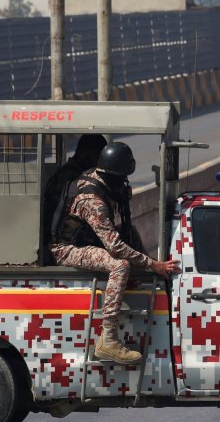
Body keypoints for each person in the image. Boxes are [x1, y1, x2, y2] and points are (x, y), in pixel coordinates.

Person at [51, 142, 181, 364]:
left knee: (130, 233)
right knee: (119, 264)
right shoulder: (92, 200)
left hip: (85, 240)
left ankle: (146, 281)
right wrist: (152, 264)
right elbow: (115, 247)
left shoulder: (101, 180)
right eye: (121, 177)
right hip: (66, 249)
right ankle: (108, 340)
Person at [41, 134, 107, 265]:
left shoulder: (72, 173)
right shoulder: (71, 177)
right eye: (98, 156)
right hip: (64, 244)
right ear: (87, 153)